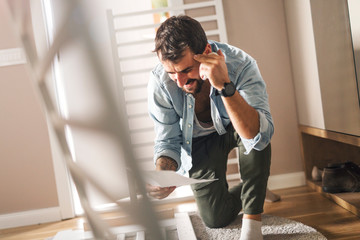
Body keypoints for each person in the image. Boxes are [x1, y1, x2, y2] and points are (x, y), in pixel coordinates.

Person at [147, 15, 274, 240]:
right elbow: (167, 140)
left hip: (236, 128)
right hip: (199, 141)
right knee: (215, 218)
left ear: (205, 52)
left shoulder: (241, 64)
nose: (179, 81)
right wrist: (163, 176)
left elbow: (258, 134)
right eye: (171, 73)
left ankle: (253, 222)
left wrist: (224, 85)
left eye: (186, 70)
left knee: (252, 132)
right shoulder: (160, 82)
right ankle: (257, 187)